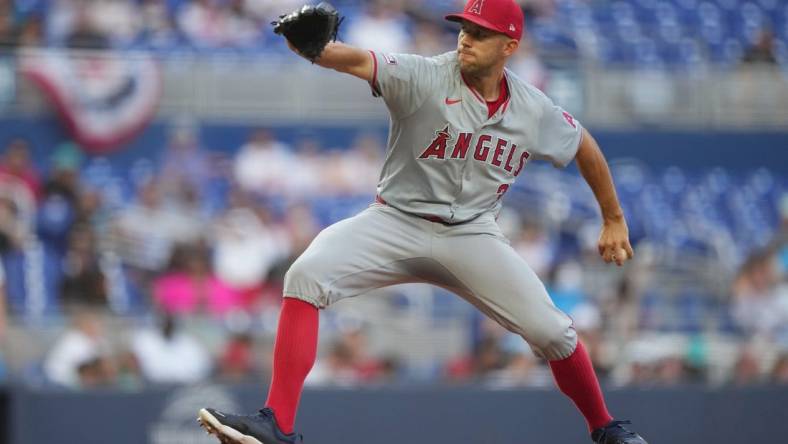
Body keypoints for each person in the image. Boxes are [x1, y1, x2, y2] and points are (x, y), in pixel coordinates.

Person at [198, 1, 647, 443]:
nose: (466, 39)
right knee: (306, 274)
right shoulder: (424, 74)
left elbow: (584, 145)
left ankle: (604, 428)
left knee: (553, 330)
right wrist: (316, 50)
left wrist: (613, 217)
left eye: (480, 33)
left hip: (472, 234)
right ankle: (278, 423)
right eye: (464, 29)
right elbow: (356, 59)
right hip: (395, 220)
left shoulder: (533, 108)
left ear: (510, 45)